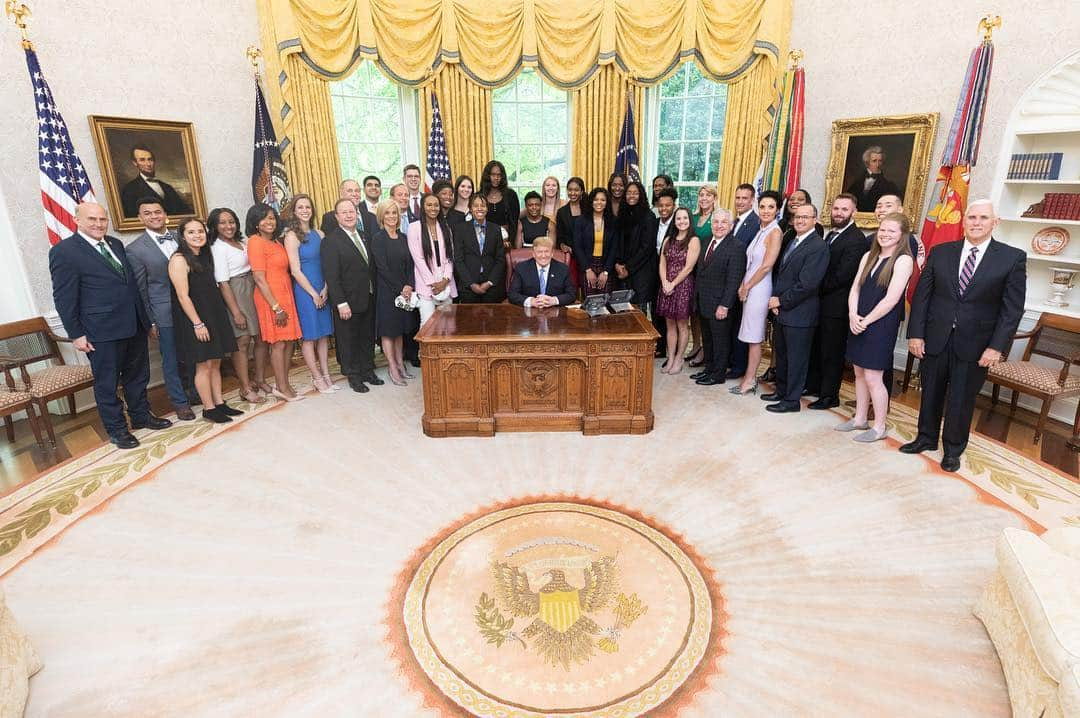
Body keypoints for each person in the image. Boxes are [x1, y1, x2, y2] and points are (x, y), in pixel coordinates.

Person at [901, 200, 1026, 471]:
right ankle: (926, 438)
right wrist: (916, 334)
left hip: (977, 344)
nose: (976, 222)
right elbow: (923, 297)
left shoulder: (1012, 258)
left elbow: (1011, 310)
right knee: (930, 391)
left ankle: (953, 450)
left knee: (961, 398)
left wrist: (996, 347)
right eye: (971, 217)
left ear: (996, 222)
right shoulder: (941, 251)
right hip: (936, 336)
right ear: (964, 220)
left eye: (983, 217)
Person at [48, 202, 171, 449]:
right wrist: (76, 334)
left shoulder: (114, 244)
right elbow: (64, 297)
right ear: (77, 220)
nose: (98, 224)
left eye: (102, 219)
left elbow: (130, 285)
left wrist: (145, 321)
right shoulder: (64, 252)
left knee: (138, 376)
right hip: (100, 331)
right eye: (91, 219)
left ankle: (141, 416)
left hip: (134, 323)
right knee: (107, 383)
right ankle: (117, 430)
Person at [838, 212, 915, 442]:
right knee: (858, 372)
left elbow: (892, 299)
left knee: (873, 376)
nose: (885, 234)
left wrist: (866, 320)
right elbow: (855, 289)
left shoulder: (903, 260)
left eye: (891, 231)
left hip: (880, 325)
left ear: (902, 235)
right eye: (882, 230)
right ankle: (860, 418)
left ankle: (879, 426)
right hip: (858, 320)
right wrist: (853, 315)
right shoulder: (867, 257)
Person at [126, 197, 195, 419]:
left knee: (195, 351)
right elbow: (141, 289)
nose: (154, 216)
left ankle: (196, 392)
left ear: (165, 214)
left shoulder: (182, 237)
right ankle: (180, 401)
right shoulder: (135, 250)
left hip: (191, 305)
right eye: (148, 213)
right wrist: (150, 321)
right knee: (171, 358)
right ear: (140, 218)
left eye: (158, 212)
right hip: (163, 310)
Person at [168, 219, 240, 423]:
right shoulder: (179, 260)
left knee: (216, 361)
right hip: (196, 319)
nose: (197, 235)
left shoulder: (204, 255)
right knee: (203, 365)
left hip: (213, 314)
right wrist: (197, 324)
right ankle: (208, 408)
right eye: (191, 232)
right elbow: (183, 296)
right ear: (182, 236)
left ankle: (219, 403)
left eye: (200, 231)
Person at [760, 203, 830, 413]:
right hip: (783, 311)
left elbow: (807, 285)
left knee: (797, 360)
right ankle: (781, 391)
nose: (800, 220)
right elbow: (783, 275)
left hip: (801, 313)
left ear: (814, 220)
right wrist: (776, 299)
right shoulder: (794, 240)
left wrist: (780, 301)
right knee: (782, 355)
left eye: (805, 217)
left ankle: (791, 401)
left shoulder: (818, 246)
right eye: (797, 217)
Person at [805, 193, 868, 410]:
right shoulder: (831, 234)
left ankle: (829, 395)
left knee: (832, 353)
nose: (838, 213)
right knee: (817, 348)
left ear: (853, 212)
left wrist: (814, 285)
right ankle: (814, 386)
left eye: (844, 209)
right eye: (836, 208)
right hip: (821, 304)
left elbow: (843, 275)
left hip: (837, 307)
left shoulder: (856, 239)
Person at [322, 198, 383, 393]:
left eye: (352, 211)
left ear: (357, 213)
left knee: (367, 336)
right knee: (348, 339)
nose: (349, 215)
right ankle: (353, 375)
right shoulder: (330, 241)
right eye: (344, 212)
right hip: (347, 301)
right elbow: (332, 276)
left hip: (368, 296)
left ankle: (367, 370)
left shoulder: (365, 236)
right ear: (337, 216)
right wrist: (340, 303)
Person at [208, 207, 268, 404]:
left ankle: (259, 379)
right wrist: (236, 312)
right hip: (236, 291)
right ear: (215, 226)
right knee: (242, 341)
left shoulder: (242, 242)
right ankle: (245, 387)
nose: (228, 226)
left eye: (231, 221)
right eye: (223, 222)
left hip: (253, 288)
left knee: (261, 337)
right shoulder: (217, 247)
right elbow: (223, 283)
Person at [247, 203, 303, 401]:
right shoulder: (255, 242)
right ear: (255, 223)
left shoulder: (277, 242)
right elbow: (259, 278)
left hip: (285, 294)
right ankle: (281, 386)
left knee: (289, 342)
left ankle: (284, 383)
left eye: (272, 217)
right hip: (270, 299)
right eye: (264, 218)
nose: (269, 222)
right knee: (278, 344)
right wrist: (276, 307)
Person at [731, 191, 782, 395]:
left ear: (777, 210)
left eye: (771, 207)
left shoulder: (774, 232)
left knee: (754, 337)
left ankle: (749, 381)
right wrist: (744, 284)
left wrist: (747, 286)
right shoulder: (761, 230)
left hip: (759, 288)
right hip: (751, 286)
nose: (766, 210)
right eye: (762, 206)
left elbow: (766, 266)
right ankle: (748, 377)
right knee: (749, 334)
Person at [283, 194, 335, 394]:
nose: (305, 210)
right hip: (306, 291)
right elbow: (295, 270)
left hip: (323, 288)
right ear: (294, 211)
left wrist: (326, 289)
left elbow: (327, 264)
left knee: (323, 335)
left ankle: (327, 375)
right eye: (300, 207)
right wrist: (314, 294)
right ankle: (316, 378)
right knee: (310, 336)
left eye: (308, 207)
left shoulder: (320, 234)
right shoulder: (291, 236)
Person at [691, 210, 746, 386]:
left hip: (720, 304)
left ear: (731, 226)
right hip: (704, 301)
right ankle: (708, 369)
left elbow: (734, 279)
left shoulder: (736, 247)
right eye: (716, 222)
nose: (719, 225)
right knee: (708, 339)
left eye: (724, 222)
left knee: (720, 341)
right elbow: (700, 272)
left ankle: (718, 374)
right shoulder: (706, 241)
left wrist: (725, 305)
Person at [371, 199, 415, 386]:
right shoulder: (378, 239)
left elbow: (411, 265)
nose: (391, 216)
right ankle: (392, 367)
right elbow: (382, 268)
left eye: (394, 213)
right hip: (387, 292)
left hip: (404, 291)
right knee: (388, 332)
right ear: (382, 216)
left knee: (400, 331)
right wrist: (400, 287)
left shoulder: (404, 237)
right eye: (387, 213)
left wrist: (409, 285)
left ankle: (400, 364)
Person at [656, 207, 701, 374]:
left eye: (685, 218)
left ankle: (679, 358)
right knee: (670, 325)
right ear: (674, 221)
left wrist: (672, 284)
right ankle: (671, 357)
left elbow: (689, 268)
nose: (682, 221)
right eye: (678, 218)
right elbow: (662, 263)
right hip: (666, 285)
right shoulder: (668, 239)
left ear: (690, 220)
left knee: (682, 325)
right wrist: (664, 282)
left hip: (683, 286)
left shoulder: (693, 240)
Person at [726, 182, 761, 380]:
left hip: (744, 284)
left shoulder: (756, 223)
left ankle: (739, 366)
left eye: (744, 198)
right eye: (737, 198)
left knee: (740, 325)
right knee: (732, 325)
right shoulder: (735, 221)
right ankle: (732, 361)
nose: (740, 201)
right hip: (731, 282)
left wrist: (744, 285)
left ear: (752, 200)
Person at [408, 194, 457, 324]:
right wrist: (433, 283)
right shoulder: (414, 228)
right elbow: (418, 259)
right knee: (427, 324)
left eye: (436, 205)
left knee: (448, 325)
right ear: (423, 207)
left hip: (446, 282)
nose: (433, 208)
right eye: (429, 205)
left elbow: (449, 257)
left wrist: (445, 280)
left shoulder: (445, 227)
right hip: (426, 283)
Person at [454, 194, 506, 303]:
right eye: (475, 206)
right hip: (468, 287)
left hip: (492, 286)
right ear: (470, 209)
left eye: (482, 206)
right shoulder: (460, 229)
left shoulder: (496, 229)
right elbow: (458, 260)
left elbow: (500, 259)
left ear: (487, 209)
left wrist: (489, 282)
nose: (479, 209)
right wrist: (471, 284)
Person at [687, 185, 718, 367]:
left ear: (714, 198)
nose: (704, 198)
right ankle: (696, 344)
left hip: (708, 269)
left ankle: (705, 351)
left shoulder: (717, 218)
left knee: (705, 311)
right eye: (701, 195)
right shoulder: (694, 218)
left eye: (708, 195)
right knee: (694, 311)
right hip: (692, 269)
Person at [119, 144, 192, 217]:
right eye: (142, 160)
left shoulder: (167, 187)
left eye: (150, 159)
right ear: (135, 163)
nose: (148, 164)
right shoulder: (129, 189)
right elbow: (131, 218)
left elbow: (185, 212)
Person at [614, 180, 655, 309]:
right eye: (629, 193)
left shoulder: (648, 216)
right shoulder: (623, 214)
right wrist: (617, 264)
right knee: (622, 313)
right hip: (621, 271)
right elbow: (617, 242)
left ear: (641, 195)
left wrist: (629, 268)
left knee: (638, 315)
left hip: (640, 273)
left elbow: (646, 248)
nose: (631, 196)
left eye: (635, 193)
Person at [573, 187, 619, 295]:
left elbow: (614, 248)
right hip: (587, 265)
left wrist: (606, 271)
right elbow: (577, 246)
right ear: (591, 201)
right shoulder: (581, 220)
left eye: (603, 200)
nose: (599, 202)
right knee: (590, 301)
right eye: (596, 199)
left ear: (607, 202)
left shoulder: (613, 221)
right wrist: (587, 270)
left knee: (605, 301)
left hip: (606, 266)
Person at [508, 235, 576, 307]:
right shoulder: (521, 268)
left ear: (552, 253)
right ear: (533, 254)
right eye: (539, 252)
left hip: (555, 311)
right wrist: (531, 301)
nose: (543, 256)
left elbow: (571, 294)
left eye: (546, 251)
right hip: (528, 313)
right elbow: (512, 294)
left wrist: (554, 300)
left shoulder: (563, 269)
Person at [651, 187, 678, 357]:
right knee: (657, 310)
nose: (664, 209)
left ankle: (673, 351)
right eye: (661, 205)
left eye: (667, 205)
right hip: (655, 272)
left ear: (673, 206)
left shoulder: (677, 225)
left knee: (671, 314)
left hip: (672, 275)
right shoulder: (654, 223)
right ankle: (660, 347)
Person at [846, 146, 902, 212]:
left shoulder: (889, 186)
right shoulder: (857, 183)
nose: (878, 165)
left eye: (880, 161)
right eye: (874, 161)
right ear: (867, 163)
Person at [555, 177, 586, 291]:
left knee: (587, 287)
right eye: (570, 190)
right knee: (572, 286)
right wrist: (562, 245)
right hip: (571, 256)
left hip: (587, 256)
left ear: (582, 191)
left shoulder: (588, 208)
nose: (573, 193)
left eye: (576, 190)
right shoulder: (562, 212)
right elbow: (560, 236)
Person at [480, 160, 520, 248]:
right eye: (493, 174)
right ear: (487, 176)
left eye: (499, 175)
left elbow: (514, 223)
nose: (496, 178)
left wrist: (511, 242)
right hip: (484, 242)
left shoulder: (511, 195)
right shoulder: (479, 196)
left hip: (506, 242)